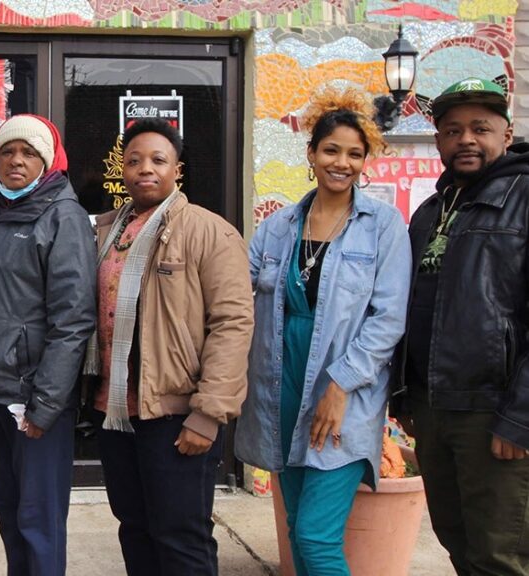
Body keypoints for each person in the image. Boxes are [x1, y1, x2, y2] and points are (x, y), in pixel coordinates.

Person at [237, 87, 411, 576]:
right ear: (311, 154)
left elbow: (388, 318)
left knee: (315, 537)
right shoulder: (277, 228)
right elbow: (236, 295)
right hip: (281, 385)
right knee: (296, 527)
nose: (343, 162)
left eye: (355, 154)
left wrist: (340, 385)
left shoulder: (382, 226)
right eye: (331, 150)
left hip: (345, 392)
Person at [85, 118, 253, 575]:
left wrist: (208, 413)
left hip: (177, 414)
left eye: (158, 160)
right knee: (135, 528)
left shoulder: (209, 233)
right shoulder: (107, 232)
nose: (145, 169)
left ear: (177, 169)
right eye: (134, 160)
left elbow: (233, 325)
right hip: (117, 411)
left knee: (180, 537)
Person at [393, 77, 529, 575]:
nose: (466, 139)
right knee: (456, 539)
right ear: (439, 143)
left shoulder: (524, 196)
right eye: (452, 130)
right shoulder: (429, 211)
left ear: (506, 135)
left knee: (501, 552)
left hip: (493, 413)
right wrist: (405, 398)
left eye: (480, 128)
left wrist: (521, 417)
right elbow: (414, 306)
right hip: (435, 409)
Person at [0, 114, 96, 576]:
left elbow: (73, 319)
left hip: (34, 399)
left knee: (38, 521)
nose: (16, 160)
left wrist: (46, 404)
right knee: (11, 516)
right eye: (7, 151)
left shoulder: (63, 217)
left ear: (47, 160)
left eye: (29, 152)